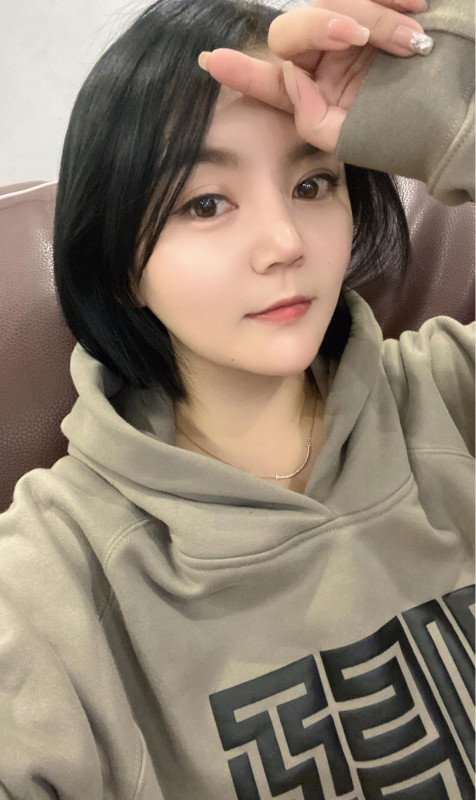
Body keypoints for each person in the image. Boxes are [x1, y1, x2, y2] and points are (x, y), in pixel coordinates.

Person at [0, 0, 474, 796]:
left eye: (313, 182)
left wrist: (451, 94)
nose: (285, 242)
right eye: (205, 203)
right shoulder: (54, 580)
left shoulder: (454, 393)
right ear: (120, 263)